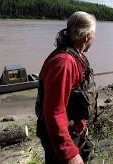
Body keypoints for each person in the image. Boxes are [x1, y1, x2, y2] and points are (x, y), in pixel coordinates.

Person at [35, 11, 98, 164]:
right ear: (87, 36)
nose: (95, 38)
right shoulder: (64, 63)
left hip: (74, 131)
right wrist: (69, 154)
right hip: (60, 137)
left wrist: (82, 126)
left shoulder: (78, 56)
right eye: (94, 34)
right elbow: (54, 112)